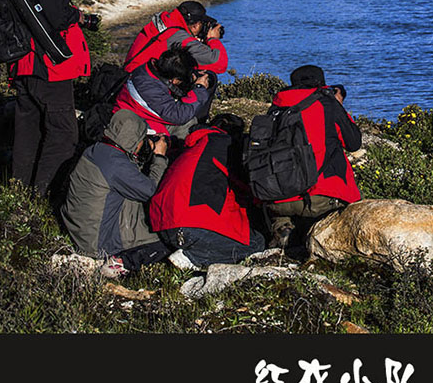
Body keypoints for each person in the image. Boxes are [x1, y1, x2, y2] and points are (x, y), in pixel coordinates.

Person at [8, 0, 92, 198]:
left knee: (27, 133)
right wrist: (77, 15)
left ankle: (17, 194)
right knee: (63, 134)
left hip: (21, 62)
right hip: (48, 66)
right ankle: (42, 196)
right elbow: (57, 17)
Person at [60, 109, 173, 278]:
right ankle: (124, 262)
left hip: (80, 228)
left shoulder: (97, 150)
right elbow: (153, 192)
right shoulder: (116, 164)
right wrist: (159, 158)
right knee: (168, 239)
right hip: (98, 242)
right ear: (134, 139)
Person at [262, 65, 363, 249]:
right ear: (321, 84)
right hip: (322, 196)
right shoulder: (327, 104)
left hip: (277, 198)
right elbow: (353, 142)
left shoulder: (276, 108)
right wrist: (339, 107)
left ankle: (282, 227)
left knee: (287, 215)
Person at [149, 113, 266, 270]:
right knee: (256, 243)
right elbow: (246, 186)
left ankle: (191, 250)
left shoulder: (193, 146)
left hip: (162, 224)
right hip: (189, 225)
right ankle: (194, 257)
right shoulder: (225, 144)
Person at [113, 47, 215, 143]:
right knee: (188, 124)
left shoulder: (149, 70)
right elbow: (179, 116)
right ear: (174, 80)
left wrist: (191, 73)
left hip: (138, 115)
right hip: (133, 126)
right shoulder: (149, 88)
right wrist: (198, 88)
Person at [123, 0, 228, 76]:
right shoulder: (176, 35)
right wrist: (212, 39)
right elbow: (218, 63)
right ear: (195, 25)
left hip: (132, 76)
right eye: (201, 25)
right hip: (141, 84)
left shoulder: (166, 22)